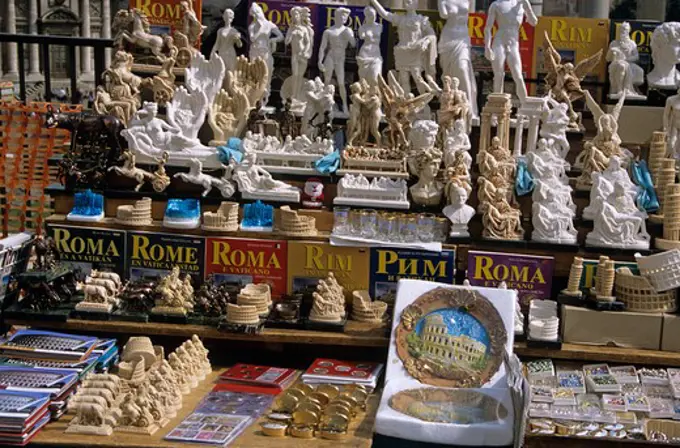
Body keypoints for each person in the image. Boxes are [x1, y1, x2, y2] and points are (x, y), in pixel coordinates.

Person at [484, 0, 537, 103]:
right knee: (499, 74)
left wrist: (528, 7)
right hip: (499, 42)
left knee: (518, 75)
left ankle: (525, 105)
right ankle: (497, 107)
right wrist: (487, 47)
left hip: (513, 44)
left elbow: (534, 22)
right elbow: (487, 28)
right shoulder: (496, 4)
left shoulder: (521, 3)